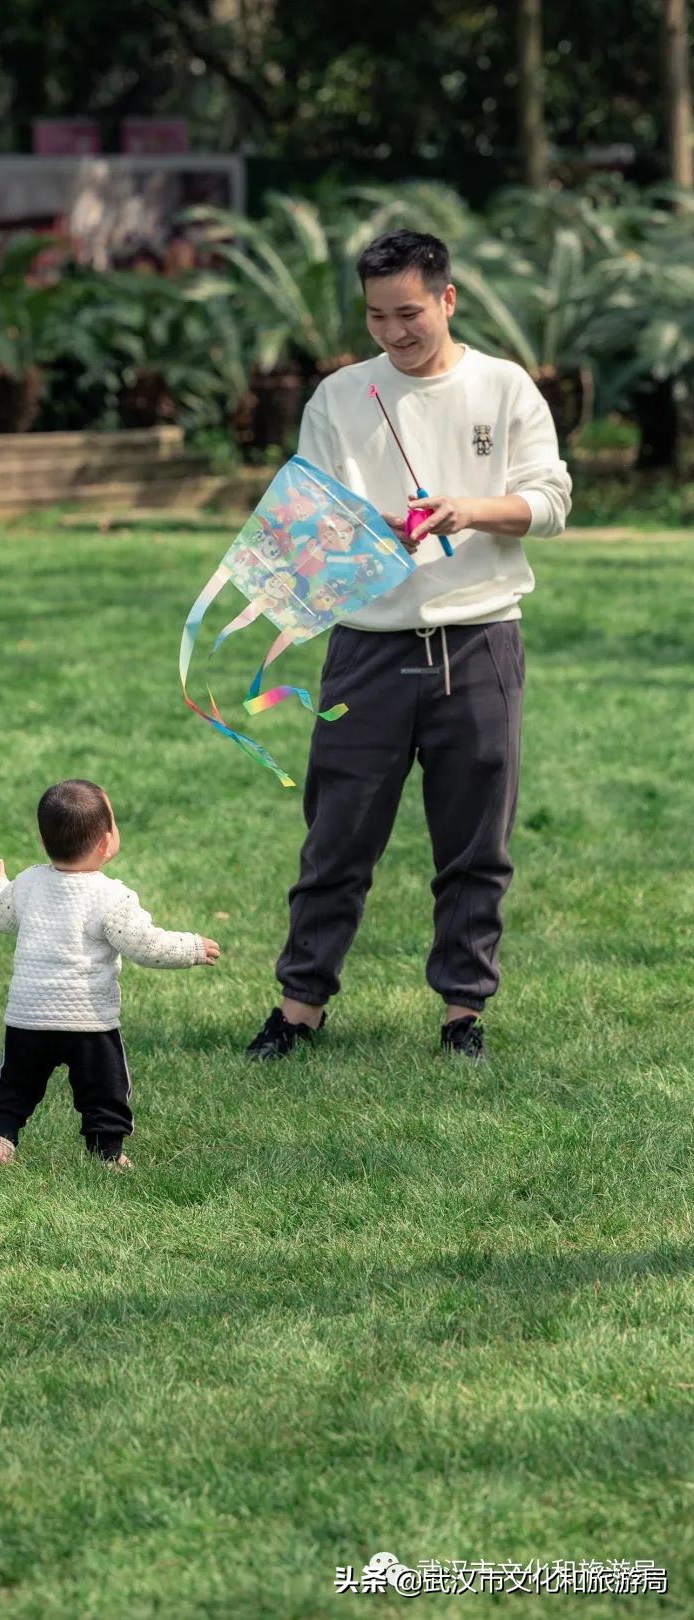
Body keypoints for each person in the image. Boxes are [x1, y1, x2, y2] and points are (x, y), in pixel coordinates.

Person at [246, 229, 572, 1064]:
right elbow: (309, 521)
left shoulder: (503, 388)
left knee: (476, 841)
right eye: (377, 316)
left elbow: (551, 500)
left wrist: (466, 509)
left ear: (448, 299)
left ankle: (464, 1011)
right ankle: (298, 1006)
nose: (393, 332)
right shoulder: (340, 397)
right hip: (367, 649)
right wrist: (356, 535)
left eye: (410, 313)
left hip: (482, 642)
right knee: (337, 835)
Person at [0, 779, 220, 1168]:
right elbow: (147, 945)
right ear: (106, 842)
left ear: (43, 841)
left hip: (29, 1017)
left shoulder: (28, 883)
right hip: (88, 1021)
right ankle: (107, 1154)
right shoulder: (112, 897)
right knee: (105, 1089)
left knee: (15, 1083)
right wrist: (190, 948)